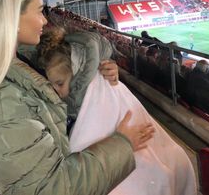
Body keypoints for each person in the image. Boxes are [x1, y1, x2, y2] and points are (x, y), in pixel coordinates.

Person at [0, 0, 155, 195]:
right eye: (40, 11)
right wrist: (123, 144)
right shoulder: (1, 104)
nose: (44, 19)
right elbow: (54, 188)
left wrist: (99, 76)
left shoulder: (17, 65)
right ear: (11, 16)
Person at [37, 28, 197, 195]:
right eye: (52, 85)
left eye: (60, 83)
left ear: (78, 73)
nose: (57, 92)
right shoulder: (61, 104)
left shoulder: (102, 85)